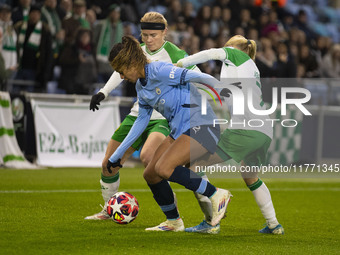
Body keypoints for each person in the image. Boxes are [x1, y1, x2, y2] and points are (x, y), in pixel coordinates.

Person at [86, 12, 219, 234]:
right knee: (112, 163)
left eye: (153, 35)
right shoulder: (135, 53)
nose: (148, 39)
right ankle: (112, 209)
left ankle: (203, 204)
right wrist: (103, 92)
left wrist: (212, 101)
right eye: (145, 34)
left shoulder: (173, 55)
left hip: (166, 118)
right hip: (141, 112)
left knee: (154, 162)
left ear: (164, 32)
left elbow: (196, 76)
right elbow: (121, 72)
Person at [107, 35, 232, 231]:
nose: (121, 76)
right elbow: (141, 121)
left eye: (120, 71)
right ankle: (174, 221)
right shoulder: (141, 87)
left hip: (202, 125)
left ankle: (217, 194)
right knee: (151, 174)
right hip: (179, 131)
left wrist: (223, 91)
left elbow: (198, 77)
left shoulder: (160, 70)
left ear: (131, 64)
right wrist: (116, 156)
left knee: (164, 168)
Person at [177, 35, 284, 235]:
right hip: (264, 130)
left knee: (194, 165)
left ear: (232, 47)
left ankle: (211, 222)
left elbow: (211, 53)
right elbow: (218, 91)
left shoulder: (235, 55)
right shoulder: (249, 67)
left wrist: (183, 62)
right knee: (250, 175)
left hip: (246, 129)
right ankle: (274, 225)